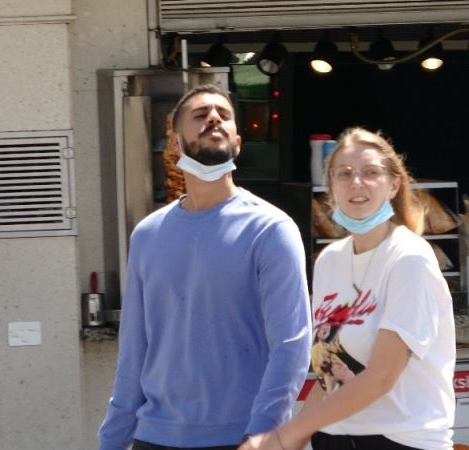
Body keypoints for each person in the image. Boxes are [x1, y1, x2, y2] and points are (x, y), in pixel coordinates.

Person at [98, 84, 312, 450]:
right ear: (176, 144)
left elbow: (291, 347)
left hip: (240, 438)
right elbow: (133, 352)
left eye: (224, 116)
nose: (214, 118)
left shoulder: (271, 229)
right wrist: (111, 442)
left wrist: (262, 435)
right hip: (153, 436)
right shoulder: (147, 235)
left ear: (238, 143)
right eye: (200, 115)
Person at [240, 127, 456, 450]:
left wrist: (288, 435)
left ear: (393, 185)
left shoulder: (409, 259)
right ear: (331, 187)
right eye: (344, 174)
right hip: (334, 439)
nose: (357, 182)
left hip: (400, 441)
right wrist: (287, 440)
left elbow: (381, 377)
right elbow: (332, 377)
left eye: (371, 173)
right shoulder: (329, 261)